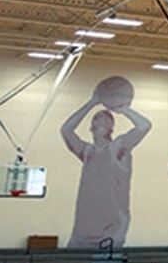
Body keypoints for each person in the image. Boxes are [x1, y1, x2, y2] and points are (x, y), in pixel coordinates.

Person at [60, 86, 152, 248]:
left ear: (112, 127)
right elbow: (66, 130)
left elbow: (144, 125)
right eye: (98, 118)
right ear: (91, 127)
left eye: (107, 119)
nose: (103, 120)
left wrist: (123, 110)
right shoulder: (86, 152)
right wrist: (92, 103)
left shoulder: (118, 148)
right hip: (83, 228)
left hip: (111, 228)